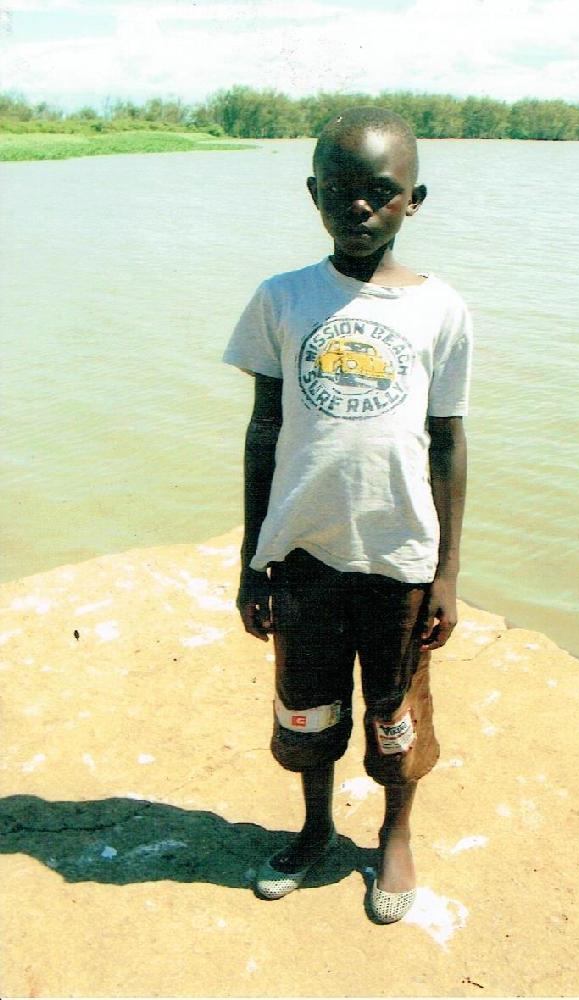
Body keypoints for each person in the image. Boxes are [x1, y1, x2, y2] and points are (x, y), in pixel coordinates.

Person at [223, 106, 472, 923]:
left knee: (396, 710)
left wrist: (446, 575)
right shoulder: (281, 298)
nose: (358, 205)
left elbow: (446, 442)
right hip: (305, 554)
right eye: (338, 190)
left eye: (380, 191)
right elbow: (263, 431)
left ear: (413, 200)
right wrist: (252, 562)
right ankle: (315, 826)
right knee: (306, 704)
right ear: (313, 194)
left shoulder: (441, 308)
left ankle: (394, 833)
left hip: (400, 555)